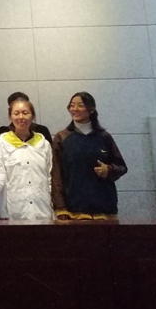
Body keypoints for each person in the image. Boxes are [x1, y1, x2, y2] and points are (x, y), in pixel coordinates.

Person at [51, 92, 127, 220]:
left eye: (80, 105)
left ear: (91, 109)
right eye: (72, 106)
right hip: (73, 210)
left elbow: (122, 167)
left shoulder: (104, 137)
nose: (74, 109)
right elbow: (56, 175)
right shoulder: (62, 137)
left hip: (105, 208)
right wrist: (60, 207)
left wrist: (108, 170)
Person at [0, 99, 53, 220]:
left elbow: (50, 176)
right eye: (16, 113)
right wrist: (2, 212)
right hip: (15, 209)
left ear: (33, 116)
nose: (21, 117)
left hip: (42, 208)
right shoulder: (2, 144)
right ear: (10, 117)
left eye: (25, 113)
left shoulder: (43, 144)